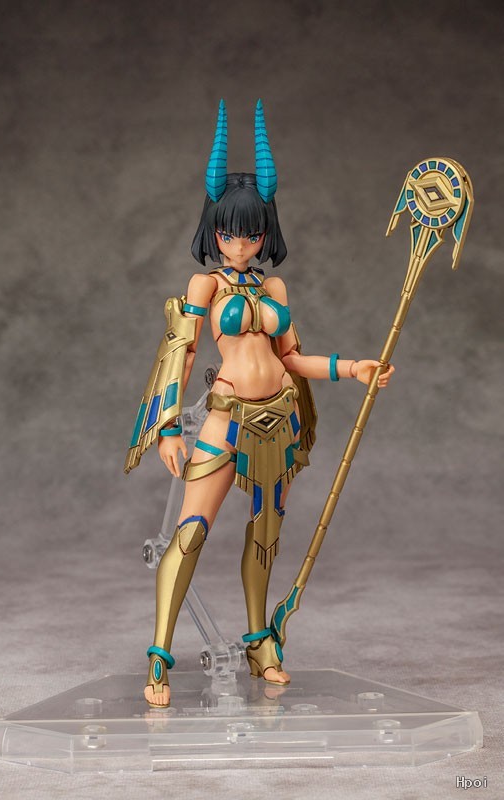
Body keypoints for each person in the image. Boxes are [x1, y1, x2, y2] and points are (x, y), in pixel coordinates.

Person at [125, 100, 394, 707]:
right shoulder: (205, 284)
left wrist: (353, 368)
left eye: (251, 232)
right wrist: (168, 427)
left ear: (266, 231)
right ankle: (160, 656)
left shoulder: (274, 286)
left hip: (280, 419)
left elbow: (293, 358)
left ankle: (258, 643)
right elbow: (181, 355)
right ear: (213, 229)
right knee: (190, 533)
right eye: (229, 232)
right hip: (226, 418)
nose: (240, 242)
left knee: (265, 536)